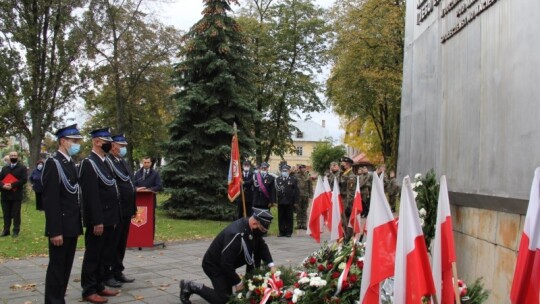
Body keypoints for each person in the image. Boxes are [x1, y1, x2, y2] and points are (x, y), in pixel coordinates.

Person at [179, 208, 276, 304]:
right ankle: (191, 286)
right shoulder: (236, 235)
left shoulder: (251, 228)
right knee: (224, 300)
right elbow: (225, 264)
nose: (263, 233)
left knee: (232, 294)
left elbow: (261, 246)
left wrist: (271, 265)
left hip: (227, 264)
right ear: (255, 224)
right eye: (262, 229)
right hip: (214, 265)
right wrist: (238, 282)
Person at [42, 124, 84, 304]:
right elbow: (51, 201)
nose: (77, 144)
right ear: (63, 141)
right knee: (57, 268)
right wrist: (55, 230)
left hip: (72, 224)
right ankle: (53, 301)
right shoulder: (54, 163)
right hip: (61, 226)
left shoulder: (69, 163)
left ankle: (60, 299)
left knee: (66, 267)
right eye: (74, 141)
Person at [79, 127, 121, 303]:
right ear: (96, 142)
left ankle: (99, 285)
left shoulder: (104, 161)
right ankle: (89, 289)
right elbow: (91, 196)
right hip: (99, 219)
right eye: (106, 142)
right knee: (93, 255)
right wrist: (97, 220)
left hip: (110, 217)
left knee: (104, 254)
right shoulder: (89, 163)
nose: (109, 145)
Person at [103, 134, 137, 287]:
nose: (123, 149)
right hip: (117, 210)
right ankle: (107, 273)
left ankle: (118, 270)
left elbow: (130, 184)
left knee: (122, 242)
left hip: (127, 209)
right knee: (112, 243)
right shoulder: (108, 162)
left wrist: (133, 206)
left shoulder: (123, 162)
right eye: (121, 146)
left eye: (124, 146)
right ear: (113, 146)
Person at [0, 151, 28, 237]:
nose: (13, 157)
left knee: (16, 214)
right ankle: (6, 230)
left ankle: (16, 230)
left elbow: (24, 180)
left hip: (16, 195)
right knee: (6, 214)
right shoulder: (5, 168)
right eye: (11, 155)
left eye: (14, 155)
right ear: (9, 157)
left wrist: (12, 185)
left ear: (18, 157)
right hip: (5, 195)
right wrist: (3, 186)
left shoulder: (22, 168)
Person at [275, 165, 299, 237]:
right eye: (283, 171)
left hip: (289, 201)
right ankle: (281, 231)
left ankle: (289, 232)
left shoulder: (293, 179)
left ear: (289, 171)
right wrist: (275, 201)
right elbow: (275, 191)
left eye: (286, 171)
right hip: (281, 201)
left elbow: (296, 191)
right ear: (281, 171)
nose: (284, 172)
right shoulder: (278, 179)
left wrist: (296, 202)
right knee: (281, 217)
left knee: (289, 217)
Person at [339, 157, 356, 240]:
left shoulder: (351, 176)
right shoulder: (344, 173)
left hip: (346, 201)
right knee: (343, 220)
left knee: (347, 220)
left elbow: (351, 191)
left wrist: (349, 204)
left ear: (348, 164)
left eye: (343, 163)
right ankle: (345, 236)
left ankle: (348, 238)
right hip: (342, 200)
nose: (342, 164)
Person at [295, 164, 313, 230]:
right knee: (298, 210)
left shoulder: (308, 176)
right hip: (298, 196)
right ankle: (299, 224)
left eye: (303, 168)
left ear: (305, 169)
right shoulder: (296, 176)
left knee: (304, 210)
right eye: (301, 168)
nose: (302, 169)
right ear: (299, 169)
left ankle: (304, 224)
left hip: (305, 196)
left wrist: (311, 196)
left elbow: (310, 186)